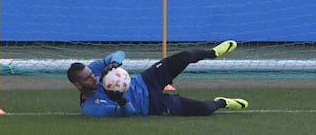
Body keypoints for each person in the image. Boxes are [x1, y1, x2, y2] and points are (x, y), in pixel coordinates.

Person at [67, 40, 248, 117]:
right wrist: (120, 99)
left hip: (147, 79)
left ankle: (212, 53)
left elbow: (120, 53)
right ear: (77, 84)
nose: (94, 78)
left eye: (92, 74)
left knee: (184, 56)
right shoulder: (91, 108)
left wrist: (114, 63)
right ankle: (222, 102)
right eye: (88, 78)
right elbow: (128, 113)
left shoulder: (94, 70)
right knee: (203, 109)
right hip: (152, 104)